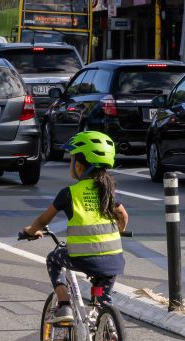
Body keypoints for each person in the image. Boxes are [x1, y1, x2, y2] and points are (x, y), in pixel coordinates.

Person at [19, 131, 129, 324]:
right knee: (103, 301)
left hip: (82, 258)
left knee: (53, 259)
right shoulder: (108, 192)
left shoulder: (69, 193)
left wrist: (31, 231)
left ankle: (64, 305)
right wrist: (119, 230)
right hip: (114, 259)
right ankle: (108, 334)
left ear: (79, 165)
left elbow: (43, 220)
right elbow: (123, 215)